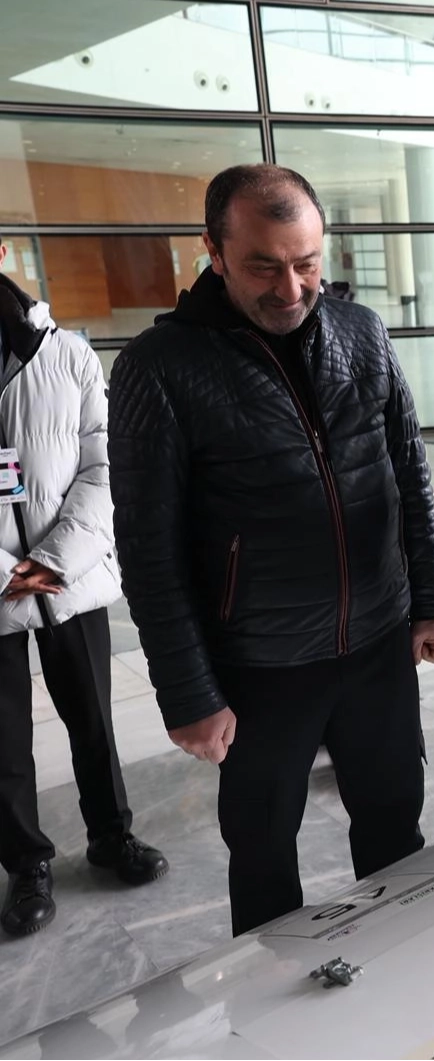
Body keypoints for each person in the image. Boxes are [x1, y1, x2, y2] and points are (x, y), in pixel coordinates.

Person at [108, 164, 434, 935]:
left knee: (395, 825)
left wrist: (427, 598)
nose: (291, 288)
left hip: (377, 643)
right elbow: (148, 549)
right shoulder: (158, 367)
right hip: (259, 662)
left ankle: (408, 965)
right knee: (263, 848)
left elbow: (407, 472)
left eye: (307, 263)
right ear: (213, 250)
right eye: (264, 266)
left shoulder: (361, 332)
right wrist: (189, 694)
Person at [0, 243, 167, 938]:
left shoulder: (66, 353)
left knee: (93, 718)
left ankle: (111, 835)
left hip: (66, 574)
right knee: (3, 741)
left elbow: (105, 464)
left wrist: (51, 562)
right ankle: (26, 864)